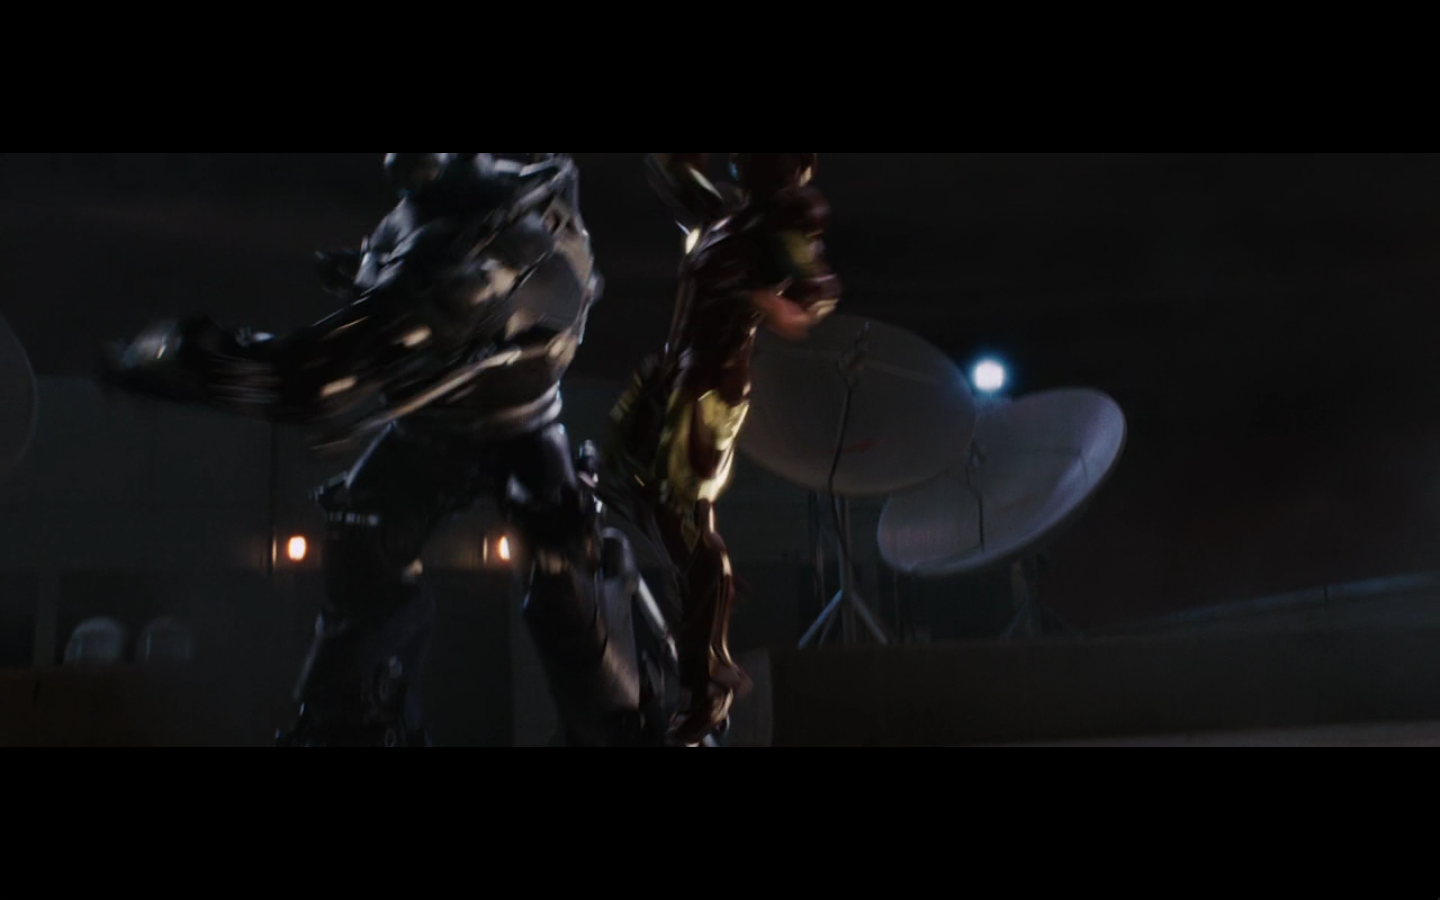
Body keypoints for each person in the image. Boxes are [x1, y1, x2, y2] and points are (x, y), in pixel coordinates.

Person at [102, 152, 640, 747]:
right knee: (362, 542)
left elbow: (320, 382)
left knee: (567, 573)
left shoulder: (491, 245)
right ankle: (353, 722)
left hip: (518, 426)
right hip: (430, 428)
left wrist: (188, 362)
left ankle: (623, 722)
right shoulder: (443, 210)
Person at [604, 153, 842, 745]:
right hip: (676, 374)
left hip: (710, 388)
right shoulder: (727, 213)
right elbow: (668, 171)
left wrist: (770, 300)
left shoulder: (780, 217)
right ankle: (705, 602)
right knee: (629, 481)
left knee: (682, 515)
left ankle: (708, 674)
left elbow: (814, 289)